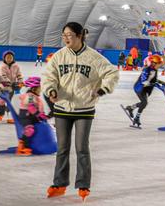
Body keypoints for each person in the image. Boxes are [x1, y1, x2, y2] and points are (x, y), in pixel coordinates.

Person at [44, 22, 119, 201]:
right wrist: (51, 90)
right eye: (64, 35)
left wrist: (102, 89)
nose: (66, 38)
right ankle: (59, 183)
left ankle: (83, 185)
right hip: (62, 108)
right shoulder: (59, 56)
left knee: (81, 148)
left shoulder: (93, 57)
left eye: (69, 35)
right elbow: (49, 76)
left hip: (84, 109)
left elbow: (112, 73)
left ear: (79, 36)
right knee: (62, 148)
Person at [124, 54, 165, 128]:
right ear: (154, 63)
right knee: (144, 102)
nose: (160, 65)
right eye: (159, 64)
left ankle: (130, 108)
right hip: (140, 88)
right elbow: (144, 81)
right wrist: (156, 84)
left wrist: (160, 82)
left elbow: (152, 79)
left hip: (146, 89)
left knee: (144, 103)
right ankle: (136, 118)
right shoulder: (147, 69)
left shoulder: (154, 69)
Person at [16, 77, 48, 156]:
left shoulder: (34, 96)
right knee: (30, 130)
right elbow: (31, 107)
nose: (40, 89)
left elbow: (38, 109)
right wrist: (39, 115)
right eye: (39, 88)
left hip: (32, 117)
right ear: (33, 89)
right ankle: (22, 145)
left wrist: (43, 116)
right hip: (26, 117)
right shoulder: (30, 96)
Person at [0, 51, 23, 124]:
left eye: (10, 57)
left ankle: (10, 116)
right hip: (4, 87)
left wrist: (20, 81)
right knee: (2, 101)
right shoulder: (2, 67)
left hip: (12, 87)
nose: (9, 59)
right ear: (4, 58)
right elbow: (3, 76)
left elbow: (19, 75)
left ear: (13, 58)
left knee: (10, 102)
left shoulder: (16, 66)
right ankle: (0, 115)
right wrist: (9, 83)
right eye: (7, 57)